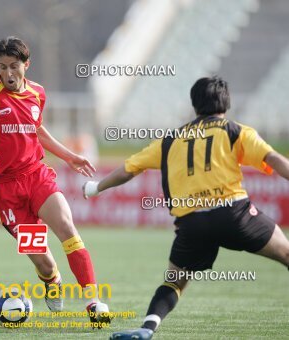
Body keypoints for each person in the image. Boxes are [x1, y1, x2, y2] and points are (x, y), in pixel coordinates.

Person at [83, 76, 289, 339]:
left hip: (192, 223)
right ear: (226, 102)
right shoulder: (235, 131)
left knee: (173, 282)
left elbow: (128, 170)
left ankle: (147, 330)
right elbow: (271, 158)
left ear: (194, 104)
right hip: (233, 214)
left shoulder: (170, 140)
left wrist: (96, 187)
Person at [0, 36, 111, 325]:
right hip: (4, 188)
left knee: (67, 228)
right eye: (2, 67)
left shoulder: (37, 93)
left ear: (27, 64)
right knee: (43, 261)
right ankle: (53, 280)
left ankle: (93, 302)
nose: (8, 74)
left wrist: (69, 156)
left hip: (36, 175)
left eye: (14, 66)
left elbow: (36, 130)